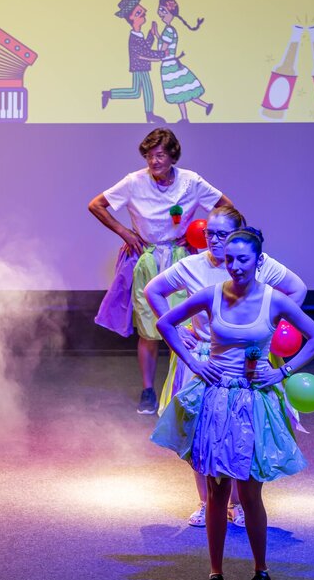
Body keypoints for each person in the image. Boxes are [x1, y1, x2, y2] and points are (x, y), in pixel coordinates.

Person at [151, 228, 314, 580]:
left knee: (250, 493)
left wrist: (282, 371)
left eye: (243, 259)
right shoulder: (212, 295)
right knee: (217, 493)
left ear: (259, 261)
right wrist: (193, 361)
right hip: (217, 401)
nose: (234, 266)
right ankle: (215, 574)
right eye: (229, 259)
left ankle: (261, 570)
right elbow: (165, 322)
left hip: (254, 403)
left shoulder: (273, 300)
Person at [144, 206, 307, 529]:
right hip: (207, 358)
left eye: (222, 234)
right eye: (210, 233)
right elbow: (153, 291)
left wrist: (271, 326)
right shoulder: (192, 265)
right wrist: (176, 330)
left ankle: (239, 503)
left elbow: (297, 288)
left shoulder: (256, 262)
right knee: (202, 431)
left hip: (247, 360)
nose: (214, 240)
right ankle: (206, 502)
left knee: (243, 429)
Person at [90, 128, 232, 414]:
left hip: (181, 257)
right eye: (149, 156)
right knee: (149, 328)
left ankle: (185, 389)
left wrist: (199, 235)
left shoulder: (191, 182)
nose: (153, 162)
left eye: (160, 156)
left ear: (172, 156)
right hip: (148, 258)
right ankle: (148, 390)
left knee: (189, 326)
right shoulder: (134, 182)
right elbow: (96, 205)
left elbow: (226, 208)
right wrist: (124, 232)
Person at [101, 0, 168, 124]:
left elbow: (146, 47)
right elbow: (145, 53)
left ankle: (109, 94)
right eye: (139, 12)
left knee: (136, 92)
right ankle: (149, 114)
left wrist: (151, 34)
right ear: (132, 18)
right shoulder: (134, 38)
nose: (144, 12)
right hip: (139, 67)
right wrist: (162, 54)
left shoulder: (138, 34)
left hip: (141, 66)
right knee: (145, 90)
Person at [155, 0, 213, 123]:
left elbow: (162, 49)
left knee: (181, 92)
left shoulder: (169, 30)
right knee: (182, 93)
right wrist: (157, 34)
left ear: (171, 13)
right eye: (159, 10)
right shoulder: (169, 29)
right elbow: (164, 44)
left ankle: (190, 115)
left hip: (170, 66)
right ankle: (193, 113)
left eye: (163, 10)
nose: (160, 13)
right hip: (171, 64)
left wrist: (151, 56)